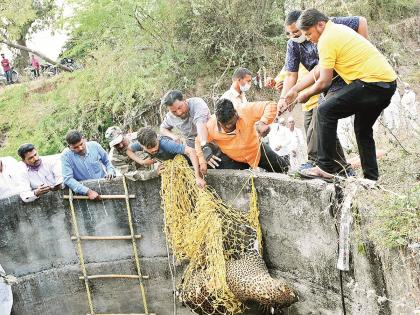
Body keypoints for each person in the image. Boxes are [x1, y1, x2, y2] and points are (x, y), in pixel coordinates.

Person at [285, 9, 397, 181]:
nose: (307, 38)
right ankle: (371, 179)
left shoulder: (326, 40)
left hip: (371, 83)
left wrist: (305, 94)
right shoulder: (337, 29)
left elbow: (324, 82)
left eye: (308, 34)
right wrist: (295, 89)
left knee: (324, 110)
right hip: (387, 84)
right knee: (362, 129)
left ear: (320, 25)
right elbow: (319, 69)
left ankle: (325, 167)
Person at [277, 10, 368, 172]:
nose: (294, 36)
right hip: (322, 81)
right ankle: (343, 169)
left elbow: (360, 21)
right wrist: (284, 97)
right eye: (289, 34)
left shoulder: (325, 25)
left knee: (322, 114)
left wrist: (363, 51)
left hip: (342, 77)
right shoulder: (293, 45)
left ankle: (319, 162)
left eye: (297, 32)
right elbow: (291, 74)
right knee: (324, 119)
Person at [196, 98, 289, 173]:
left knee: (284, 168)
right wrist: (203, 157)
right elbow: (197, 140)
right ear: (218, 121)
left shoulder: (244, 110)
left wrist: (263, 122)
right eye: (225, 125)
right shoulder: (210, 126)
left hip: (256, 150)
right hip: (235, 160)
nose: (229, 127)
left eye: (232, 123)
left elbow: (271, 105)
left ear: (236, 113)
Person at [135, 127, 206, 189]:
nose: (153, 149)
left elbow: (191, 151)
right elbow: (128, 150)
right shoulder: (138, 145)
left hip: (187, 161)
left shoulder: (166, 144)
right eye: (149, 148)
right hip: (170, 163)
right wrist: (142, 162)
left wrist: (197, 176)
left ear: (157, 138)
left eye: (155, 145)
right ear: (141, 145)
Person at [61, 130, 116, 200]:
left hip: (105, 187)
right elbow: (68, 179)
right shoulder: (66, 156)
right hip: (84, 195)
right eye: (75, 147)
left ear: (84, 139)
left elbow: (107, 162)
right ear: (69, 147)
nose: (80, 148)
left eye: (81, 144)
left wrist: (110, 171)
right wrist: (87, 191)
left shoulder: (95, 146)